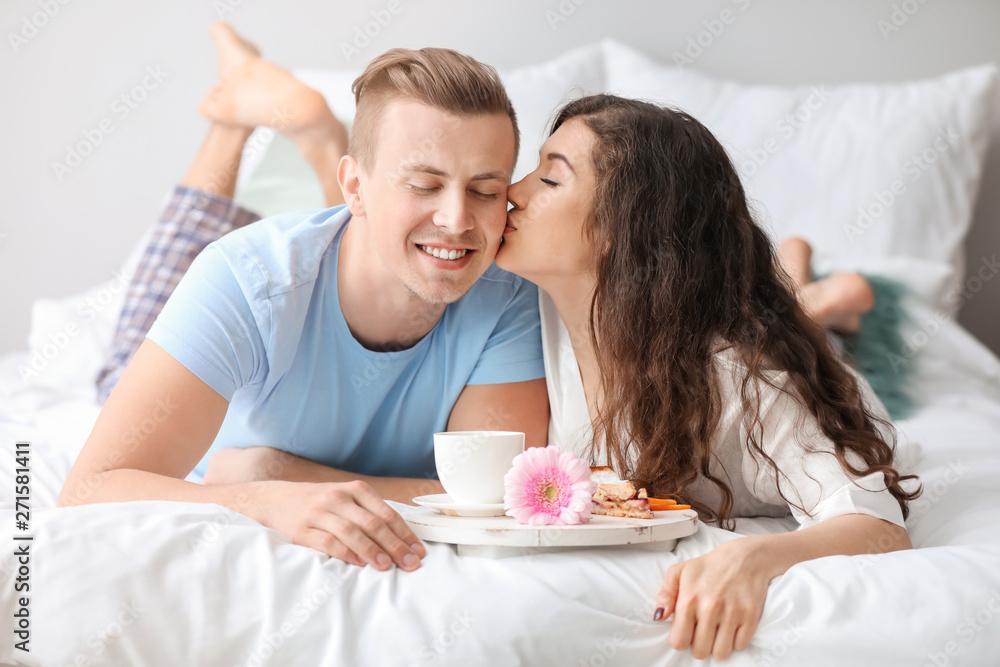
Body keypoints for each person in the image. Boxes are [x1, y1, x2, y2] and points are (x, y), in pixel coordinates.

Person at [58, 27, 550, 575]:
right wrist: (259, 500)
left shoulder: (509, 296)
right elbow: (87, 491)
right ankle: (235, 118)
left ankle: (318, 136)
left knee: (377, 249)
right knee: (173, 267)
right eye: (423, 185)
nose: (459, 221)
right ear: (355, 186)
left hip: (330, 258)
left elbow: (493, 501)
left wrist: (273, 472)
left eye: (485, 191)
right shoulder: (244, 280)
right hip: (206, 342)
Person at [493, 94, 920, 661]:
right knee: (780, 304)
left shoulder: (753, 381)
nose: (511, 193)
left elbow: (878, 525)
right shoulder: (523, 308)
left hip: (810, 371)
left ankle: (815, 291)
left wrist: (757, 558)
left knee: (802, 331)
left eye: (549, 180)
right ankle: (799, 282)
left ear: (619, 230)